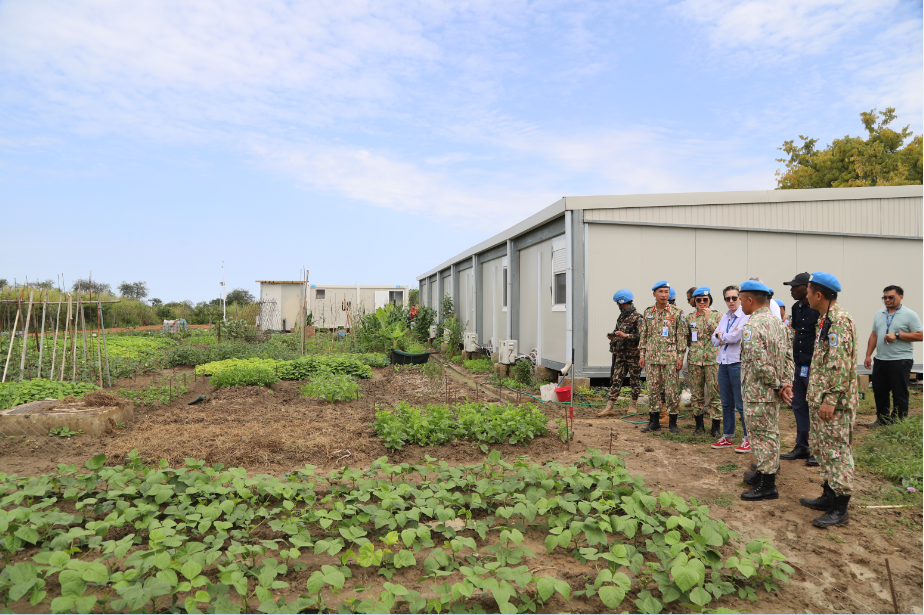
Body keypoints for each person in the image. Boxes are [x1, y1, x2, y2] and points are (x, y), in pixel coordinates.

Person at [792, 272, 858, 527]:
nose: (806, 296)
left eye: (808, 292)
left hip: (835, 403)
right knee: (825, 449)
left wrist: (830, 399)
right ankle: (829, 495)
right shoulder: (825, 319)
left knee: (837, 452)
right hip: (821, 398)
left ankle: (840, 509)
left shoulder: (840, 321)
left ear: (818, 295)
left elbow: (840, 365)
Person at [737, 280, 791, 500]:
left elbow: (759, 363)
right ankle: (763, 471)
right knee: (769, 433)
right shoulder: (778, 323)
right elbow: (788, 357)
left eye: (741, 300)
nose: (740, 304)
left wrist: (778, 385)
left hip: (759, 391)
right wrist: (785, 383)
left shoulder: (752, 325)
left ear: (750, 300)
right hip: (772, 390)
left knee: (761, 436)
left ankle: (767, 485)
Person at [863, 285, 923, 426]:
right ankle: (882, 420)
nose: (887, 300)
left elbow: (920, 335)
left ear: (901, 297)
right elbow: (874, 335)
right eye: (884, 297)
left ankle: (898, 422)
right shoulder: (879, 314)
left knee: (899, 392)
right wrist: (868, 355)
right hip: (880, 359)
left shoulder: (910, 314)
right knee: (880, 391)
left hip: (900, 360)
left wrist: (898, 335)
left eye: (891, 297)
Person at [781, 273, 820, 465]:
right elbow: (796, 333)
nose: (791, 290)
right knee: (799, 405)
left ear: (807, 287)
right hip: (800, 364)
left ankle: (819, 450)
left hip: (814, 366)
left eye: (795, 286)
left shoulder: (819, 309)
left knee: (816, 407)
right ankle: (802, 445)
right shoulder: (796, 308)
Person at [639, 281, 685, 433]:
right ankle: (654, 422)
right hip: (652, 358)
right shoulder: (648, 312)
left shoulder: (677, 312)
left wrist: (680, 357)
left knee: (671, 391)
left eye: (666, 292)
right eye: (661, 291)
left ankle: (673, 423)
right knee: (653, 390)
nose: (664, 295)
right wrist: (642, 354)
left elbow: (681, 337)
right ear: (654, 294)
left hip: (670, 359)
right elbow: (644, 335)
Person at [711, 286, 750, 452]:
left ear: (740, 298)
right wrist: (723, 337)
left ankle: (748, 438)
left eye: (734, 298)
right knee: (726, 403)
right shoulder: (725, 316)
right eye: (728, 298)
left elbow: (737, 336)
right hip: (723, 362)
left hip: (737, 363)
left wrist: (722, 336)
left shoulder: (745, 316)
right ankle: (727, 436)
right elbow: (714, 339)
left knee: (741, 403)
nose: (731, 301)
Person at [598, 289, 644, 417]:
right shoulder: (621, 317)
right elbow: (617, 331)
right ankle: (609, 407)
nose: (617, 305)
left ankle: (633, 405)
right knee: (616, 380)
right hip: (621, 355)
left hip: (634, 356)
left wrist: (626, 336)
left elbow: (641, 336)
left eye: (618, 302)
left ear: (622, 302)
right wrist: (613, 336)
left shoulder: (638, 317)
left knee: (634, 381)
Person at [686, 287, 721, 436]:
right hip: (695, 361)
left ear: (709, 300)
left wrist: (708, 320)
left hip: (712, 361)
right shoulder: (689, 318)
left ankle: (716, 427)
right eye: (698, 300)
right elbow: (687, 338)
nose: (702, 302)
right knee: (697, 395)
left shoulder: (718, 315)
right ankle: (699, 426)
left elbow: (720, 335)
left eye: (705, 299)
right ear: (694, 301)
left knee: (715, 394)